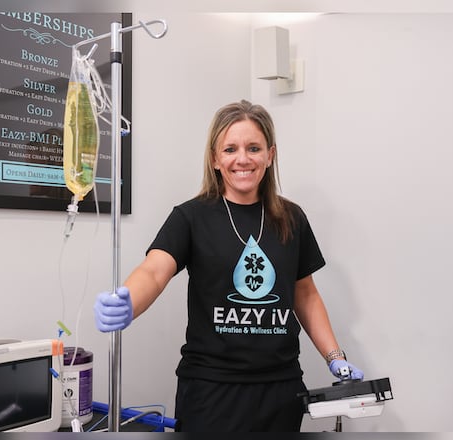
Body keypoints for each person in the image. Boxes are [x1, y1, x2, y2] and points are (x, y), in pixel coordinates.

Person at [94, 99, 364, 432]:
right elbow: (154, 270)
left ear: (270, 155)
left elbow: (305, 294)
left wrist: (334, 356)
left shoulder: (292, 219)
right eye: (230, 149)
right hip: (211, 391)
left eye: (254, 148)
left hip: (280, 390)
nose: (242, 159)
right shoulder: (191, 217)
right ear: (215, 159)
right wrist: (127, 301)